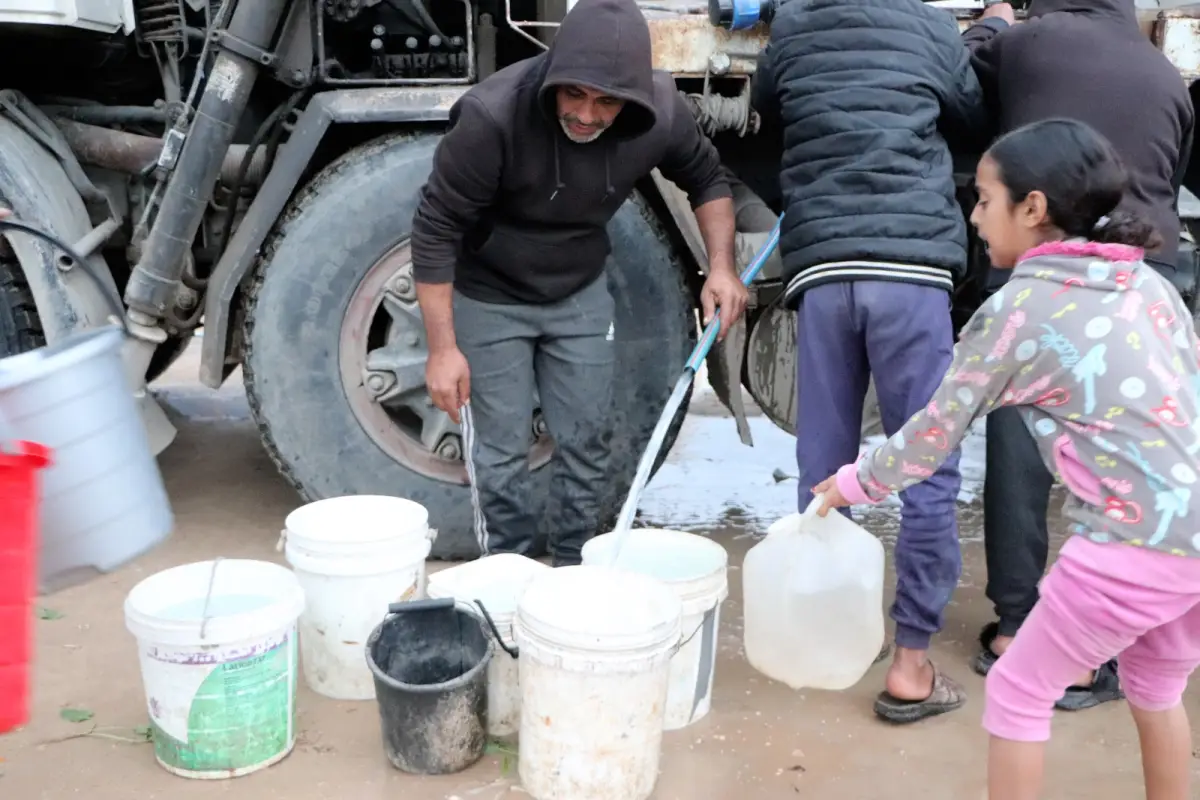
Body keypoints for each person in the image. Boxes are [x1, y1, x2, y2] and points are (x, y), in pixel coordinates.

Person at [815, 118, 1200, 800]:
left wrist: (850, 483)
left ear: (1033, 208)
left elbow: (931, 435)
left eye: (986, 198)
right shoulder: (1149, 286)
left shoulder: (1020, 308)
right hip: (1193, 538)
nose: (974, 214)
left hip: (1130, 544)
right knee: (1156, 684)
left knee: (1020, 692)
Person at [410, 0, 746, 567]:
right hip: (489, 295)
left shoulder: (662, 111)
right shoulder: (492, 118)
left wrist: (721, 267)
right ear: (553, 77)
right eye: (575, 95)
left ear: (633, 99)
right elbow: (435, 229)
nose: (587, 115)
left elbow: (709, 180)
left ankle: (573, 571)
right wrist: (442, 350)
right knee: (501, 455)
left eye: (608, 102)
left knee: (588, 444)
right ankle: (508, 575)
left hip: (579, 292)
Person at [751, 0, 989, 723]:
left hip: (824, 271)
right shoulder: (926, 26)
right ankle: (911, 662)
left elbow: (769, 109)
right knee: (925, 459)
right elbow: (972, 118)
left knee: (823, 452)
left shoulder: (790, 27)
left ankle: (812, 634)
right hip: (910, 272)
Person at [961, 0, 1195, 709]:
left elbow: (961, 81)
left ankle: (1022, 624)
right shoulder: (1167, 75)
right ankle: (1135, 630)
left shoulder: (1028, 42)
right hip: (1154, 270)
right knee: (1145, 444)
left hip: (1056, 270)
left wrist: (994, 20)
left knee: (1021, 443)